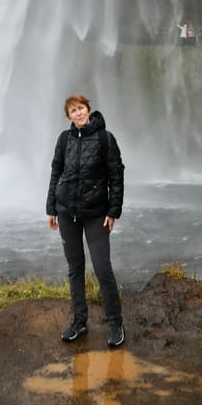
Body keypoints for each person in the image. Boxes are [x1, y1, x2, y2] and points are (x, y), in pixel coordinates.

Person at [46, 93, 125, 347]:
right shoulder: (64, 139)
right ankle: (79, 321)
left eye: (80, 108)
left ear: (88, 109)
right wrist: (51, 208)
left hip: (96, 214)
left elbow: (116, 176)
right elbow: (56, 172)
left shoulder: (105, 138)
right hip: (67, 212)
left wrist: (113, 212)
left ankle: (115, 323)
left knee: (102, 268)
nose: (78, 113)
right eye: (72, 111)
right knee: (75, 268)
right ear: (68, 116)